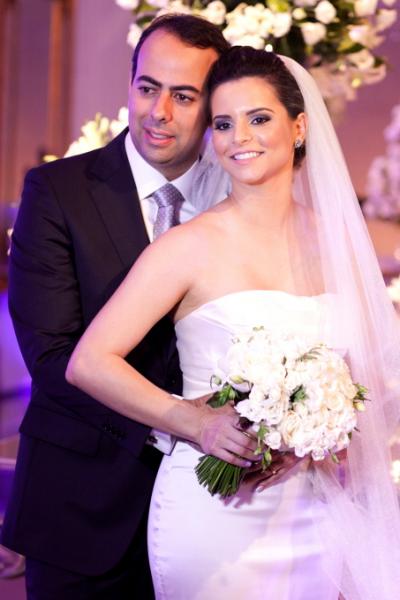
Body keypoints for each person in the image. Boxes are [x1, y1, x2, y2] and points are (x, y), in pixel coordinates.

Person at [67, 46, 400, 599]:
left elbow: (376, 373)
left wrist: (324, 432)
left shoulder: (339, 240)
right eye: (223, 124)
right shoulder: (187, 246)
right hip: (214, 511)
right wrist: (193, 422)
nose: (239, 137)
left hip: (316, 509)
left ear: (298, 127)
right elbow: (89, 362)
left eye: (258, 118)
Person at [1, 14, 256, 600]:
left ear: (213, 104)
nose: (158, 112)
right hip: (80, 504)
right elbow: (52, 356)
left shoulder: (240, 198)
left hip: (217, 508)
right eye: (148, 88)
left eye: (183, 96)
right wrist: (185, 421)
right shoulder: (56, 191)